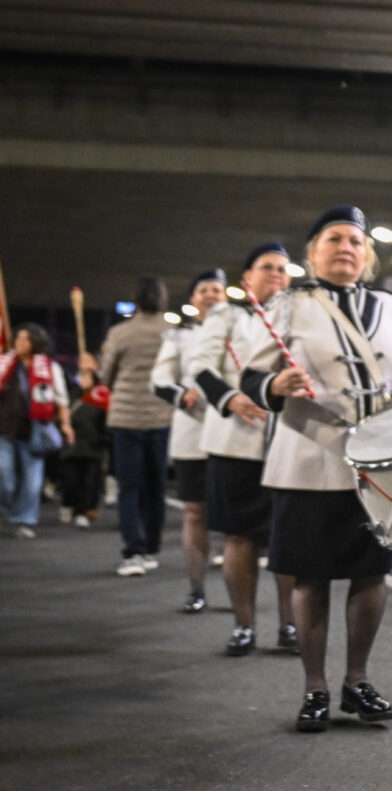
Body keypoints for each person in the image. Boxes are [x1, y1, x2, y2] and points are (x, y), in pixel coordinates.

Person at [240, 205, 392, 732]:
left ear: (368, 257)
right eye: (333, 239)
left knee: (371, 573)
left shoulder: (389, 307)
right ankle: (314, 687)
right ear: (312, 252)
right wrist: (273, 387)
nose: (346, 247)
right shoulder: (287, 306)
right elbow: (249, 376)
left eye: (356, 242)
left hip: (378, 464)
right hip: (309, 461)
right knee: (311, 577)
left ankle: (356, 680)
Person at [190, 243, 297, 656]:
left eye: (284, 269)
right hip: (235, 441)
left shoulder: (301, 311)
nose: (276, 274)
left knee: (286, 539)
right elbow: (199, 366)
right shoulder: (227, 316)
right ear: (246, 278)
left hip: (287, 441)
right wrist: (231, 399)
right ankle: (244, 625)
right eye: (267, 267)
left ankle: (290, 625)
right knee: (239, 537)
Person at [151, 269, 226, 613]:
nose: (211, 294)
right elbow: (160, 380)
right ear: (192, 299)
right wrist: (184, 396)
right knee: (195, 512)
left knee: (236, 520)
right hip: (192, 434)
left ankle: (240, 595)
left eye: (217, 289)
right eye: (203, 290)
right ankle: (196, 589)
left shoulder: (242, 330)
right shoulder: (177, 336)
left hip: (233, 432)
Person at [100, 277, 174, 575]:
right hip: (160, 416)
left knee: (128, 487)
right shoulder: (173, 332)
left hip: (126, 418)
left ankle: (134, 550)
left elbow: (106, 377)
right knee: (156, 487)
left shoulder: (120, 332)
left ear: (136, 299)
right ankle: (153, 546)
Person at [1, 323, 73, 538]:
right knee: (3, 474)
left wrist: (66, 424)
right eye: (18, 338)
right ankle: (7, 509)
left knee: (32, 481)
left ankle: (24, 519)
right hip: (4, 428)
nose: (20, 342)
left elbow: (61, 401)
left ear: (36, 342)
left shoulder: (49, 368)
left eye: (25, 339)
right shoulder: (5, 364)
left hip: (34, 430)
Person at [60, 363, 110, 530]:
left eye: (87, 376)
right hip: (72, 446)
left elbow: (106, 424)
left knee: (90, 482)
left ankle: (84, 511)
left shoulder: (102, 398)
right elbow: (61, 416)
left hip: (93, 447)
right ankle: (69, 505)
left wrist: (103, 440)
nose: (83, 379)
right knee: (70, 481)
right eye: (81, 375)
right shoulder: (71, 397)